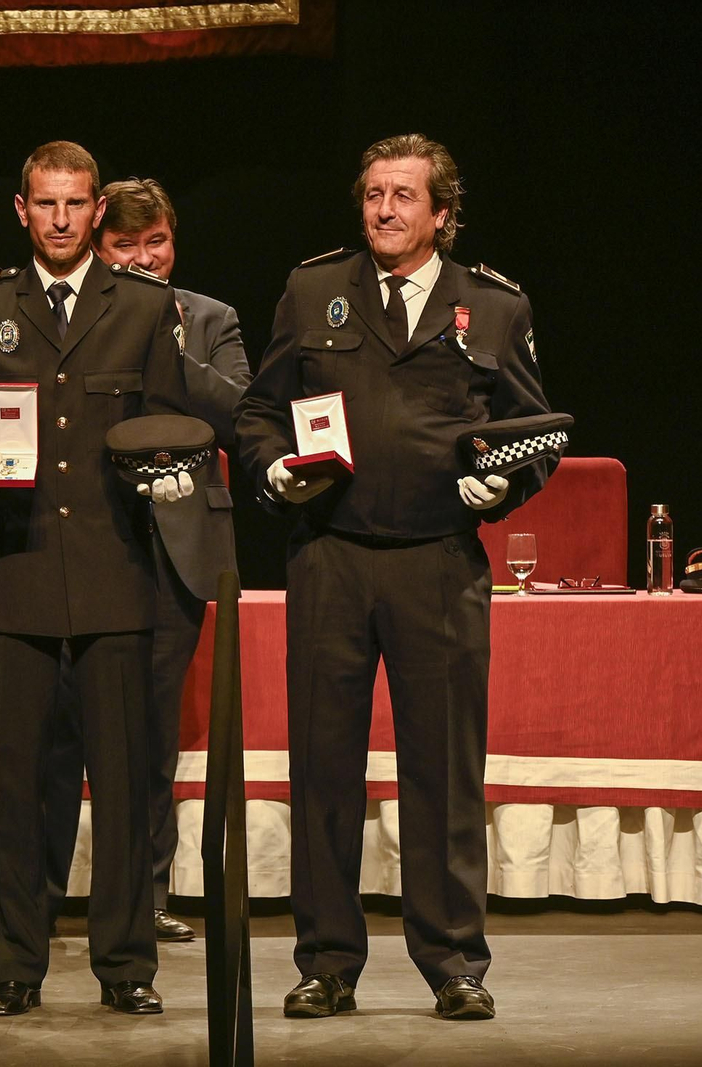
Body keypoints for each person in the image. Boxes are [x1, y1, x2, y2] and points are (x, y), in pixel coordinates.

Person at [235, 134, 556, 1021]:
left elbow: (532, 428)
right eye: (373, 194)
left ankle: (454, 959)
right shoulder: (314, 289)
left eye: (404, 197)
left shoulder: (492, 306)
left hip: (440, 561)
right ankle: (327, 960)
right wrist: (271, 471)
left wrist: (507, 483)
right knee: (324, 765)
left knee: (445, 768)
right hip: (330, 555)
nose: (384, 210)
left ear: (442, 214)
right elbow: (261, 409)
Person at [0, 141, 192, 1018]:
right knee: (14, 788)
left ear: (96, 210)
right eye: (44, 204)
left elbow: (173, 422)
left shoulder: (146, 306)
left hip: (119, 581)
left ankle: (126, 966)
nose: (59, 219)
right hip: (17, 581)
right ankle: (14, 966)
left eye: (75, 204)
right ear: (21, 210)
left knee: (121, 788)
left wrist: (171, 469)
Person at [44, 178, 249, 944]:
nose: (142, 259)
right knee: (67, 727)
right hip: (91, 544)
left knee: (152, 730)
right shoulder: (73, 314)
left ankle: (148, 894)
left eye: (154, 243)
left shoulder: (209, 318)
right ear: (98, 246)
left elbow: (240, 411)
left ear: (173, 241)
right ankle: (49, 897)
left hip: (176, 547)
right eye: (123, 247)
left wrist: (158, 339)